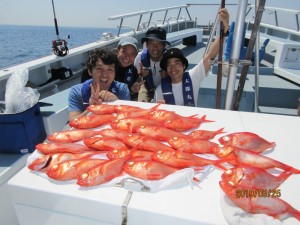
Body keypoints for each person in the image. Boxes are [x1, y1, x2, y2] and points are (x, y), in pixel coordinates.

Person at [153, 8, 229, 106]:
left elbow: (210, 56)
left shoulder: (193, 77)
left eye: (177, 63)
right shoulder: (160, 90)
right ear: (166, 69)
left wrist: (225, 30)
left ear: (184, 66)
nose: (173, 68)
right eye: (169, 65)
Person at [68, 48, 130, 121]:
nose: (104, 74)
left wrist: (117, 102)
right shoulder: (76, 92)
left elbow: (128, 117)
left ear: (115, 74)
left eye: (109, 69)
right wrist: (91, 109)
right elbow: (72, 121)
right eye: (99, 69)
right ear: (90, 71)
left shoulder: (122, 89)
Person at [134, 27, 170, 101]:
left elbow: (177, 81)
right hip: (146, 88)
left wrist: (167, 76)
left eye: (159, 43)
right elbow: (135, 82)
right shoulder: (140, 58)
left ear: (164, 45)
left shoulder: (169, 59)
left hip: (165, 88)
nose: (155, 47)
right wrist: (140, 76)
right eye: (151, 43)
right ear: (146, 45)